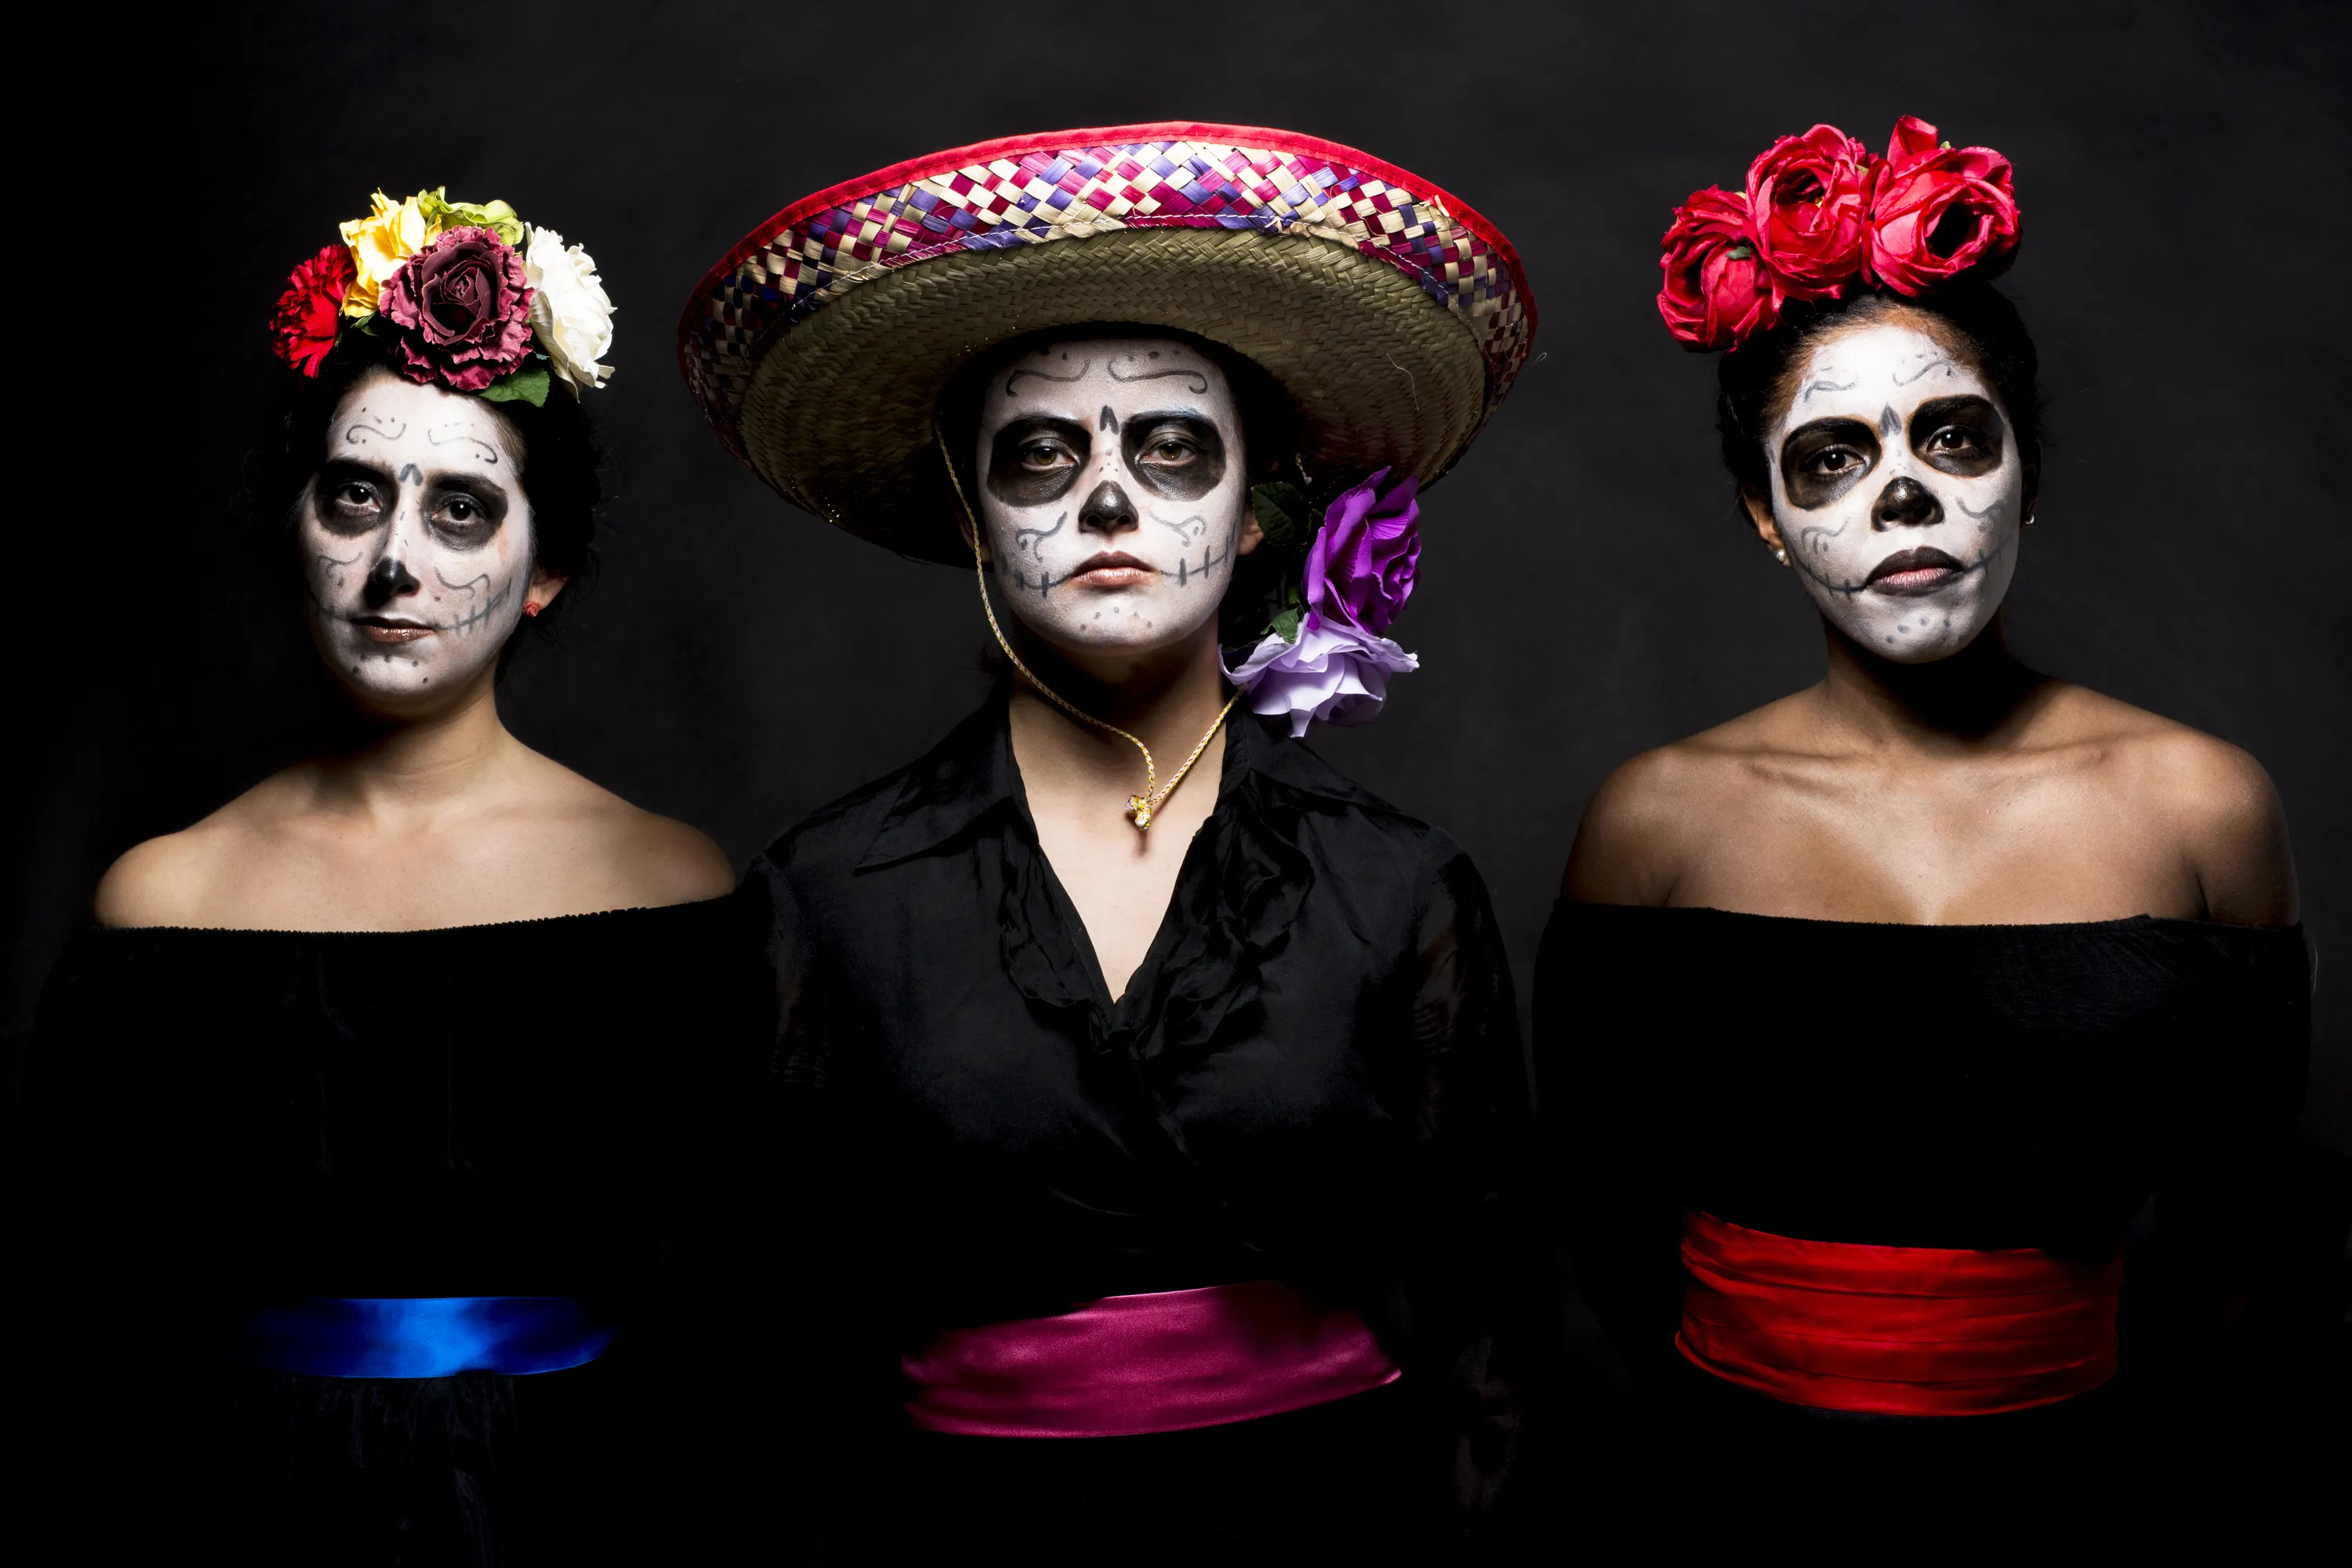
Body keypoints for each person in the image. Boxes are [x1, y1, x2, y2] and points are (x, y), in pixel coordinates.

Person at [680, 123, 1545, 1557]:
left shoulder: (1400, 892)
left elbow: (1490, 1323)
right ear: (970, 509)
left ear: (1257, 506)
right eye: (1038, 453)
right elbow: (769, 1351)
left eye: (1168, 445)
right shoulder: (825, 898)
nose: (1105, 498)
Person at [1537, 118, 2309, 1512]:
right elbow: (1590, 1213)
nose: (1904, 492)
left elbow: (2242, 1232)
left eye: (1954, 436)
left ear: (2028, 473)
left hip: (2083, 1494)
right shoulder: (1655, 822)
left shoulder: (2205, 805)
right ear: (1767, 519)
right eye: (1830, 456)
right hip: (1728, 1495)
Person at [24, 188, 766, 1563]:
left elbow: (735, 1315)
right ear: (296, 524)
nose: (394, 565)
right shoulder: (162, 905)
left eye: (465, 509)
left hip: (585, 1527)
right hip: (236, 1532)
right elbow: (78, 1328)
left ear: (543, 570)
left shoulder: (668, 891)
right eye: (356, 495)